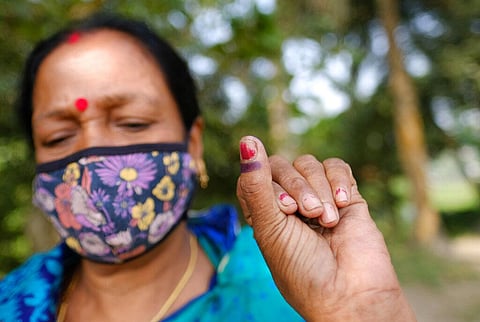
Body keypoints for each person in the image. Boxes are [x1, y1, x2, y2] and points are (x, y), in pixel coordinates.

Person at [0, 13, 415, 322]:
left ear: (192, 143)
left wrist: (365, 310)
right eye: (57, 137)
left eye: (132, 123)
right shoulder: (12, 301)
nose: (92, 153)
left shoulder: (284, 292)